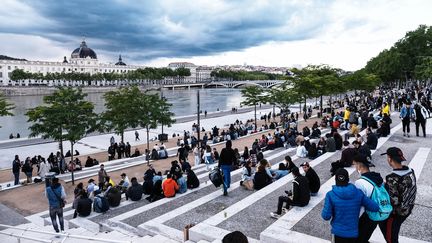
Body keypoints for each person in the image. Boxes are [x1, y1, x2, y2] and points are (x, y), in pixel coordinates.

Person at [321, 168, 379, 243]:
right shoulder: (358, 193)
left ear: (335, 180)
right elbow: (375, 207)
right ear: (348, 179)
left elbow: (326, 216)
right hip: (353, 233)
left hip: (338, 233)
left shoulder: (330, 195)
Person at [379, 147, 417, 243]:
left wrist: (384, 187)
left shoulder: (392, 178)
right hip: (408, 208)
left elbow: (393, 202)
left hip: (397, 214)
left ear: (390, 159)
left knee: (391, 238)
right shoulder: (411, 171)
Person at [353, 154, 390, 243]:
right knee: (365, 236)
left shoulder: (360, 182)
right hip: (380, 213)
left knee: (359, 239)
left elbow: (360, 205)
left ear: (359, 165)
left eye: (355, 164)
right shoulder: (377, 177)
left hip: (367, 216)